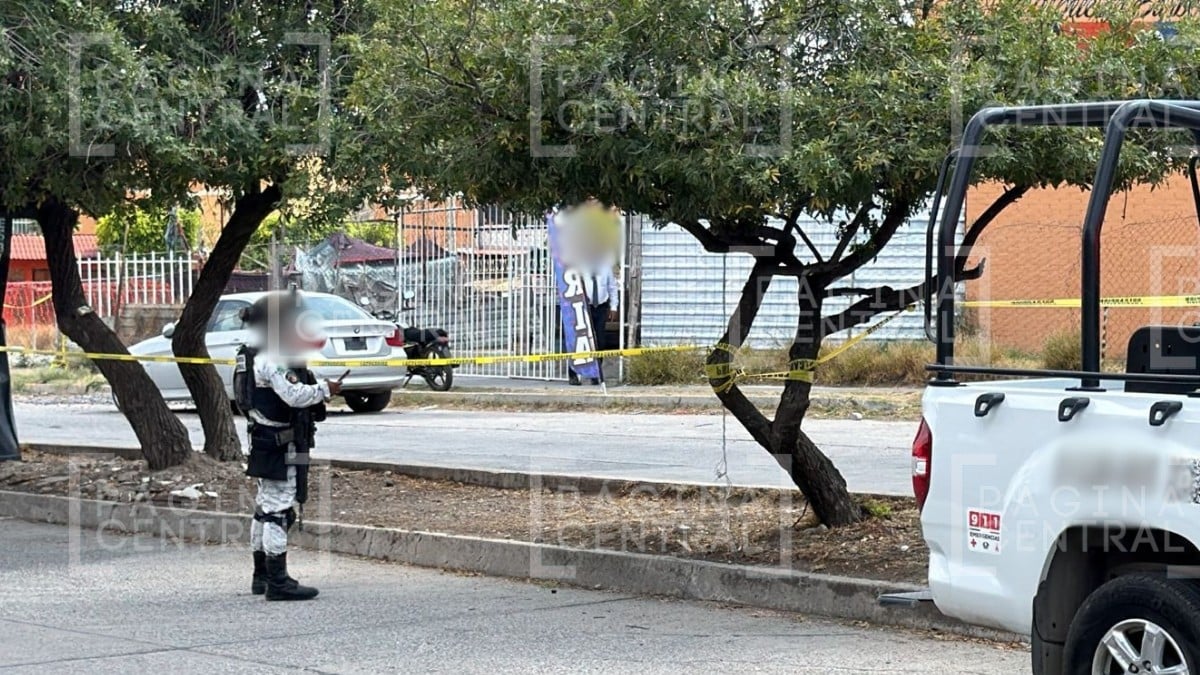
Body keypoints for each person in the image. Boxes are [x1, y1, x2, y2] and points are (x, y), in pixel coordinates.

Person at [240, 291, 342, 601]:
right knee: (278, 511)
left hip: (261, 439)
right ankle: (278, 582)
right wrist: (326, 389)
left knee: (264, 508)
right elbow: (294, 397)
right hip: (278, 443)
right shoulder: (271, 358)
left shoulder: (248, 353)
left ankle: (261, 577)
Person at [569, 263, 620, 386]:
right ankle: (573, 374)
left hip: (601, 308)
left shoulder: (605, 267)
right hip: (585, 306)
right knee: (580, 340)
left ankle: (595, 374)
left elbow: (612, 287)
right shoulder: (581, 267)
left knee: (600, 342)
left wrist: (614, 307)